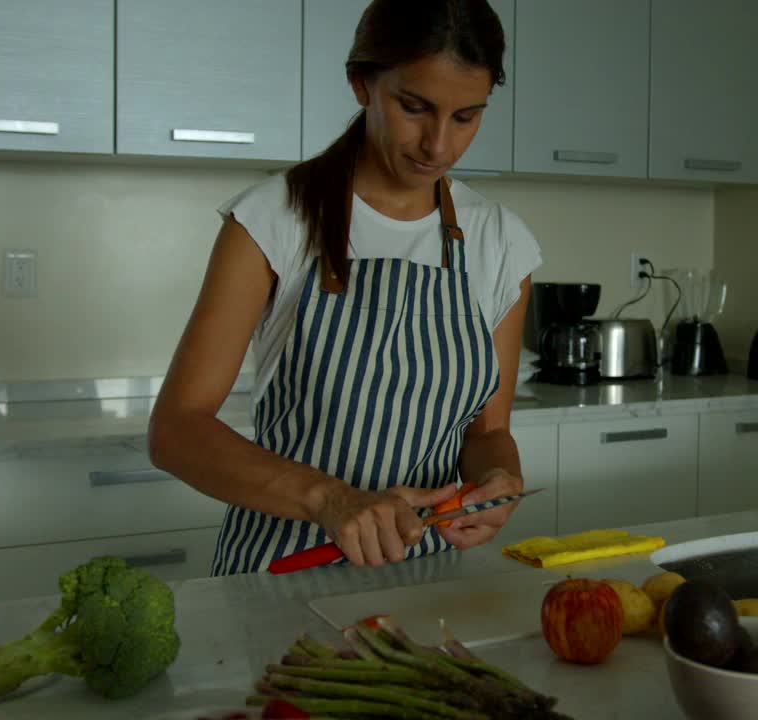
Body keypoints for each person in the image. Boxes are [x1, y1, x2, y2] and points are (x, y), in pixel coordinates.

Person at [148, 0, 542, 575]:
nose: (439, 145)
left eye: (465, 117)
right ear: (362, 84)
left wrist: (496, 482)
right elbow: (176, 430)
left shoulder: (501, 242)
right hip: (279, 572)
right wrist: (329, 499)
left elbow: (489, 429)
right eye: (414, 107)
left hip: (423, 577)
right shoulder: (274, 220)